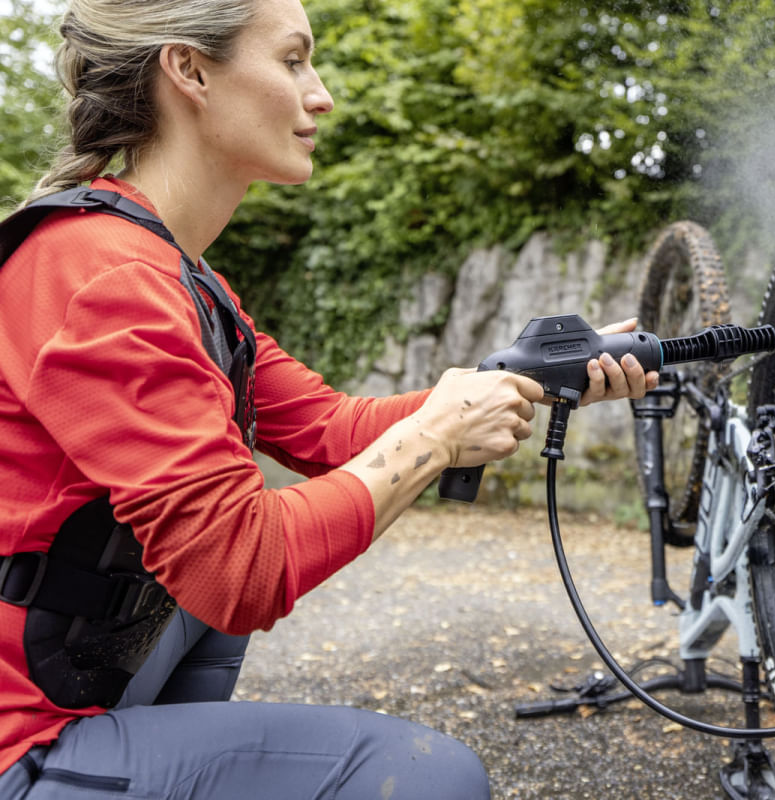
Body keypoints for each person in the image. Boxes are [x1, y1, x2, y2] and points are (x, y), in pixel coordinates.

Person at [0, 0, 657, 796]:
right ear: (190, 70)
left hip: (58, 687)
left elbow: (332, 428)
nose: (322, 94)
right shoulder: (105, 280)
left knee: (188, 600)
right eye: (292, 60)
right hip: (18, 745)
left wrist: (520, 381)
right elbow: (241, 567)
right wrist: (437, 440)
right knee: (429, 778)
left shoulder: (176, 276)